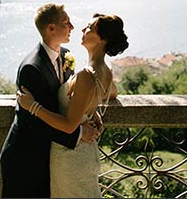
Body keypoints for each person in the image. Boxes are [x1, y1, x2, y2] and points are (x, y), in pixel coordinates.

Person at [17, 12, 129, 198]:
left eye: (90, 28)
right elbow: (111, 93)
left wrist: (33, 106)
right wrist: (90, 111)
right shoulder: (106, 71)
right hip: (86, 152)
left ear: (102, 40)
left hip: (71, 157)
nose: (83, 29)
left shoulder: (86, 74)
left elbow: (69, 125)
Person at [0, 3, 102, 198]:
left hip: (52, 158)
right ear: (51, 28)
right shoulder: (31, 68)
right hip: (26, 160)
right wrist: (79, 134)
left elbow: (69, 96)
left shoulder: (65, 55)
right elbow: (33, 121)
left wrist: (90, 111)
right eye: (66, 22)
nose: (72, 27)